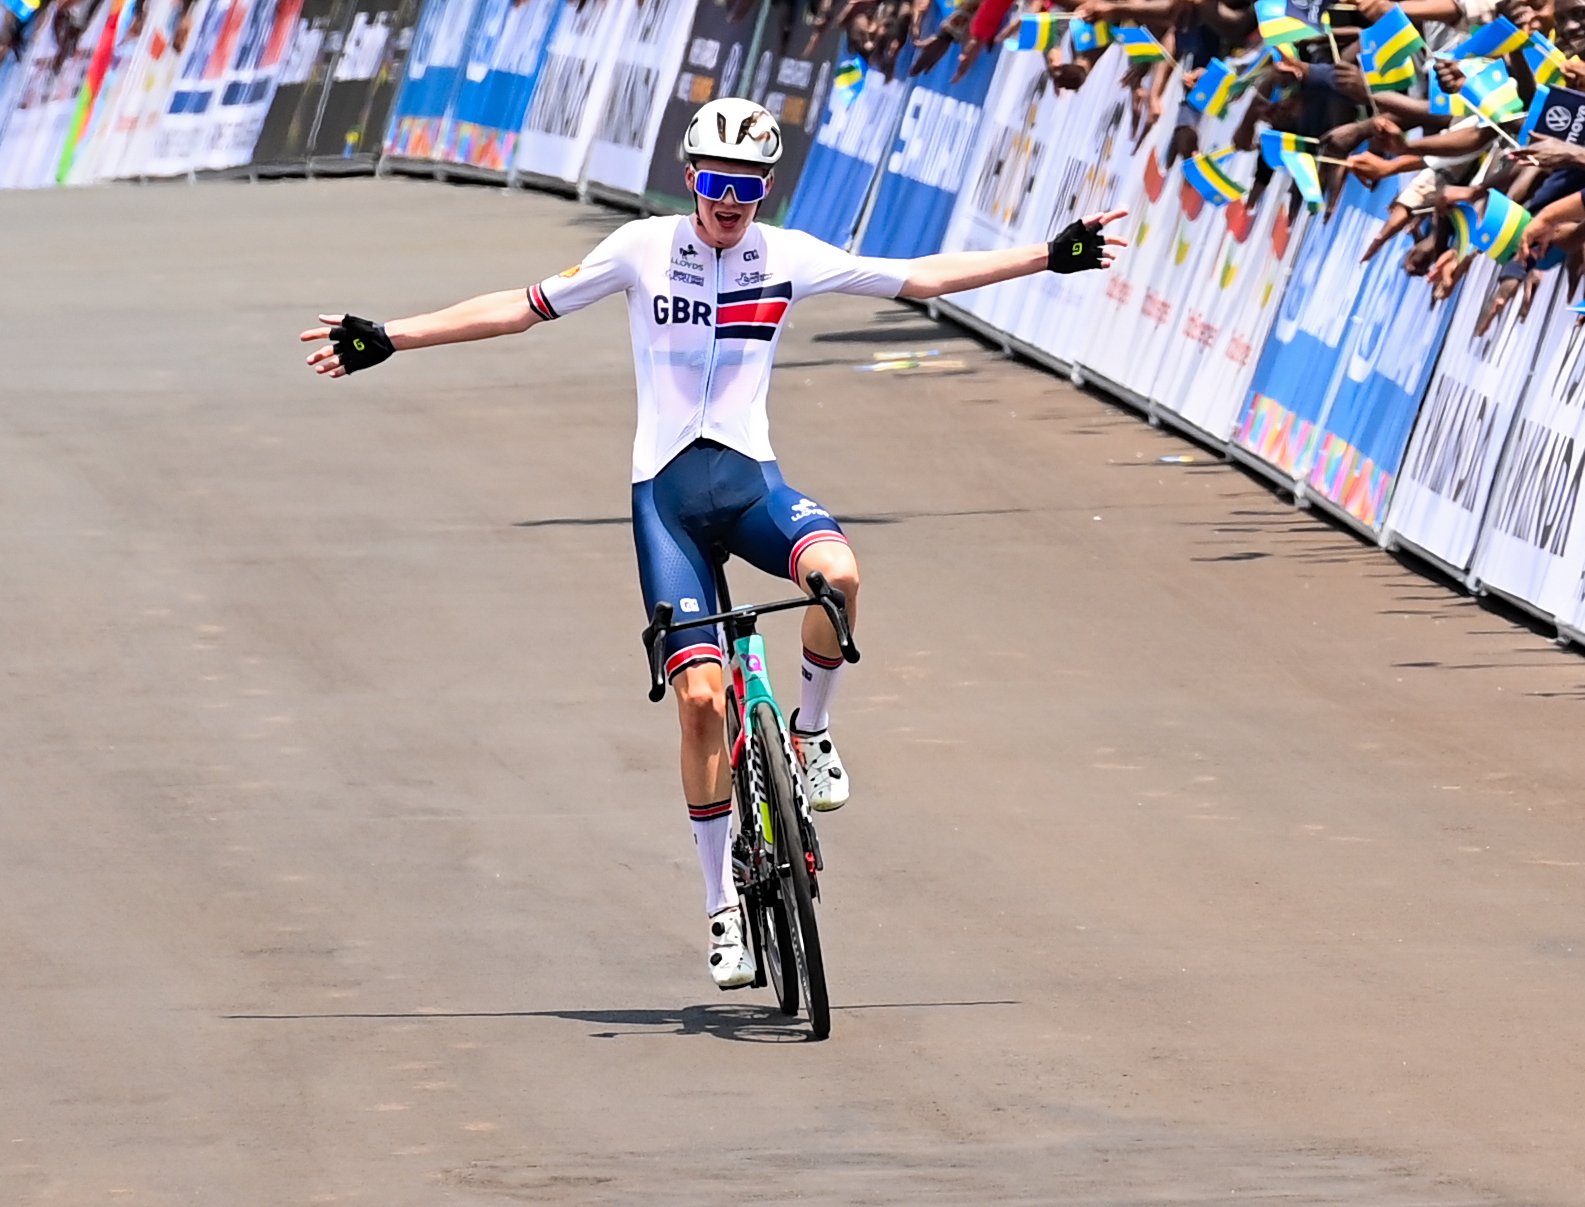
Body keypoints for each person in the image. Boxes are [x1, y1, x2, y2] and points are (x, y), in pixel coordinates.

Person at [299, 100, 1140, 993]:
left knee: (841, 577)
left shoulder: (789, 257)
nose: (729, 200)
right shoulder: (639, 247)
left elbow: (920, 278)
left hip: (751, 488)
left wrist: (1049, 254)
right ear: (690, 176)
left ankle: (812, 736)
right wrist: (393, 336)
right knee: (700, 700)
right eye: (714, 182)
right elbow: (522, 307)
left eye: (746, 186)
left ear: (764, 189)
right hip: (666, 502)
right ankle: (720, 912)